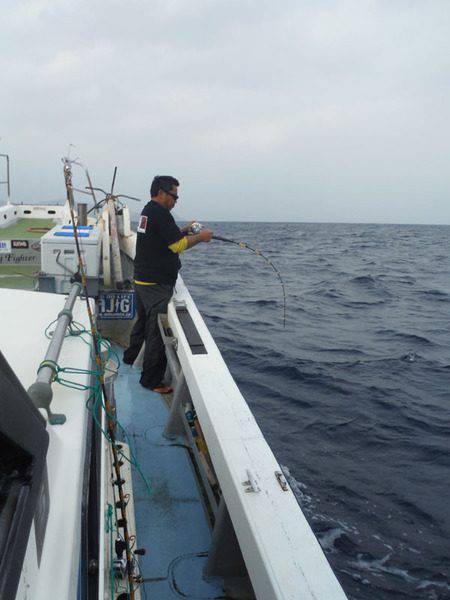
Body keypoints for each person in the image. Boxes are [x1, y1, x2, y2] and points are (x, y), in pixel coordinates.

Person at [123, 175, 212, 393]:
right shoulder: (161, 213)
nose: (175, 201)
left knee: (142, 323)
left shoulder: (148, 211)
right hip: (156, 285)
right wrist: (201, 237)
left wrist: (185, 229)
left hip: (142, 280)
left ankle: (130, 357)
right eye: (174, 196)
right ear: (162, 193)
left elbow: (163, 238)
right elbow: (178, 246)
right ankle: (151, 380)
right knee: (155, 332)